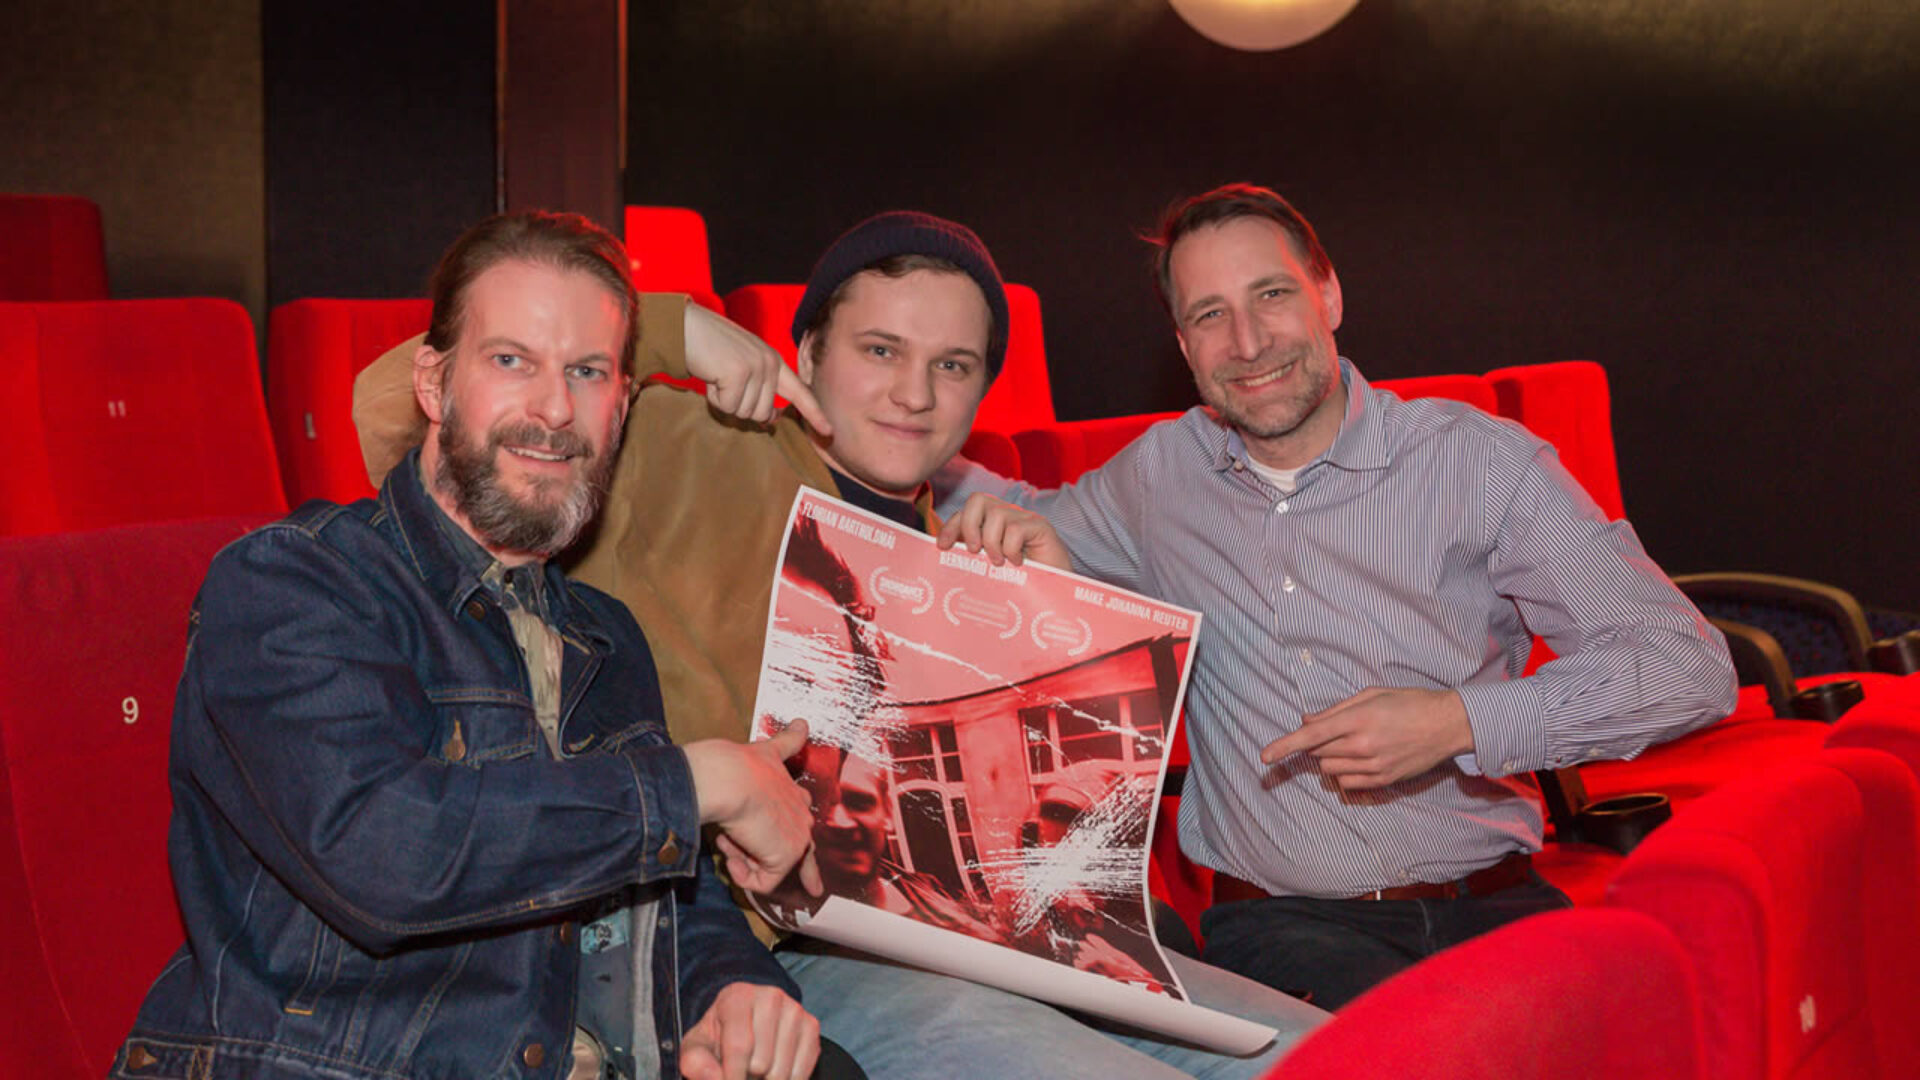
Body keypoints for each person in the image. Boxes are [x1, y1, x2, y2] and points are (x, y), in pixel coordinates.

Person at [354, 210, 1329, 1079]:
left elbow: (1016, 843)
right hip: (744, 943)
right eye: (879, 350)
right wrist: (672, 325)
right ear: (806, 352)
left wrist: (1045, 621)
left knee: (1329, 1050)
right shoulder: (682, 439)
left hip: (969, 936)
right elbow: (390, 401)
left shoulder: (966, 547)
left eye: (954, 366)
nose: (915, 393)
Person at [937, 183, 1737, 1009]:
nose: (1247, 341)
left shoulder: (1481, 463)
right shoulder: (1159, 478)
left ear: (1329, 293)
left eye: (1272, 295)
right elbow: (1008, 510)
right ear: (1183, 344)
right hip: (1287, 930)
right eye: (1210, 315)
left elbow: (1687, 667)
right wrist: (838, 417)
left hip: (1498, 902)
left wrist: (1456, 722)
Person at [116, 212, 832, 1080]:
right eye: (510, 361)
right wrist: (699, 782)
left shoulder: (604, 636)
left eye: (587, 371)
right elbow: (385, 854)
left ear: (623, 406)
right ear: (432, 383)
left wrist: (731, 990)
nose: (555, 408)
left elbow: (664, 902)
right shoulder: (294, 585)